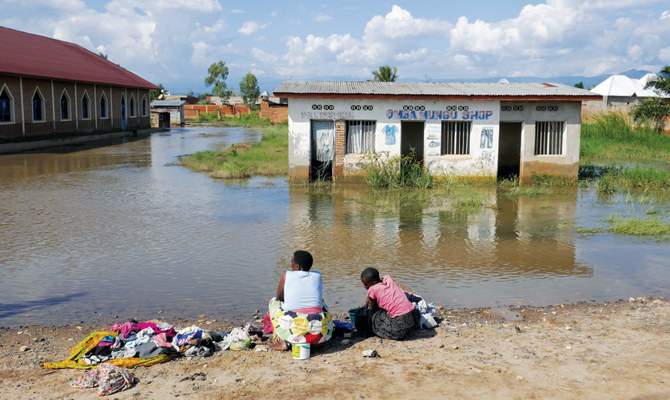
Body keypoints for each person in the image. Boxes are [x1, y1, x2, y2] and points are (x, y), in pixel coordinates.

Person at [268, 250, 333, 351]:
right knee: (322, 302)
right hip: (321, 332)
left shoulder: (287, 275)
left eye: (292, 261)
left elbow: (280, 297)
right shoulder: (317, 276)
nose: (291, 264)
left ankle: (283, 341)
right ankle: (314, 341)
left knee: (274, 302)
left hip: (295, 331)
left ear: (297, 266)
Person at [360, 267, 421, 340]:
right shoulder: (388, 279)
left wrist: (369, 299)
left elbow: (372, 308)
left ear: (374, 283)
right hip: (412, 319)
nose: (364, 286)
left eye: (365, 284)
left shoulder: (373, 289)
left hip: (399, 328)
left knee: (374, 317)